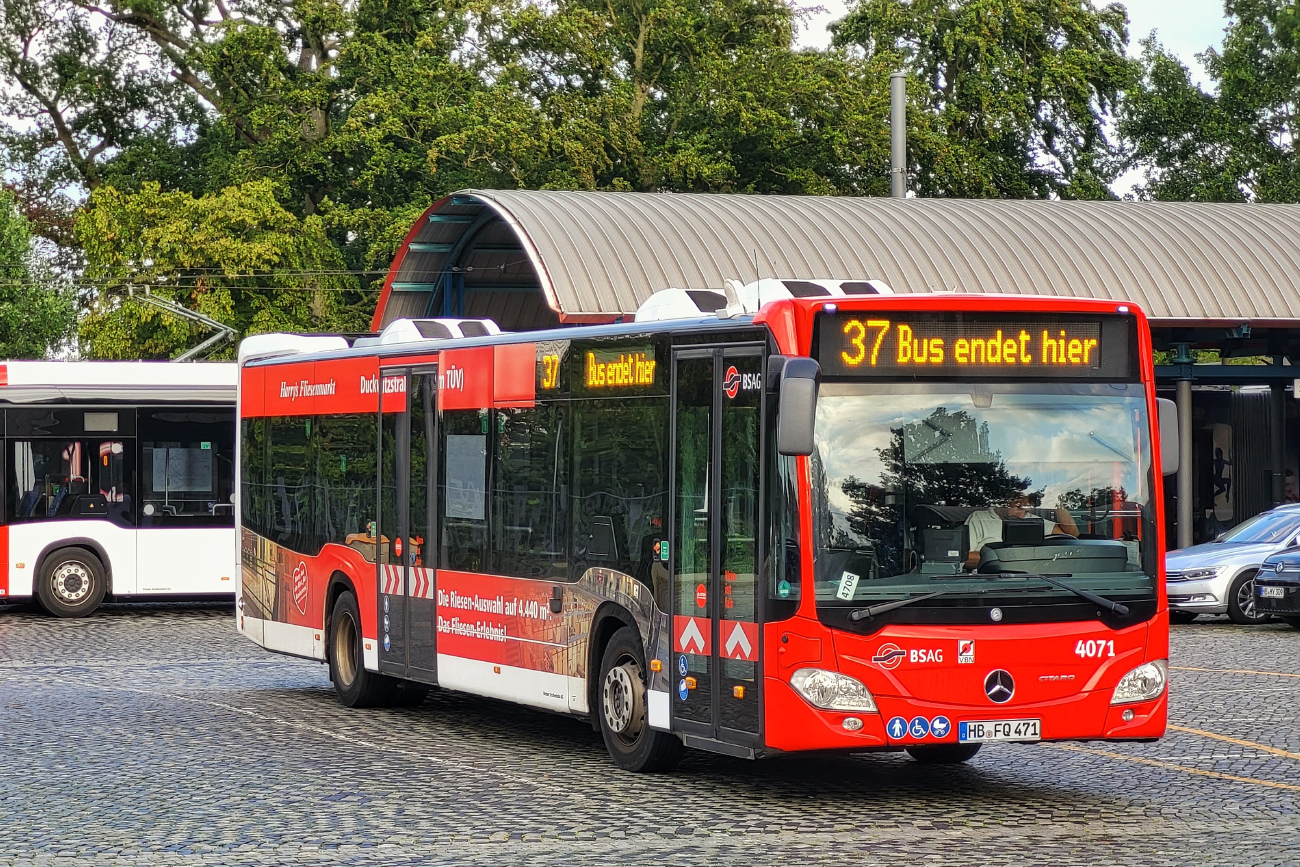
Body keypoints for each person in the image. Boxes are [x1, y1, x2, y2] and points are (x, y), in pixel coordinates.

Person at [965, 494, 1079, 568]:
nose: (1022, 515)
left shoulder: (1030, 519)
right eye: (1019, 508)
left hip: (1033, 581)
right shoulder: (979, 518)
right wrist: (1006, 558)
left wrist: (1058, 504)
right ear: (1005, 501)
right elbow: (964, 558)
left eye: (1026, 510)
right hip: (989, 583)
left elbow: (1071, 537)